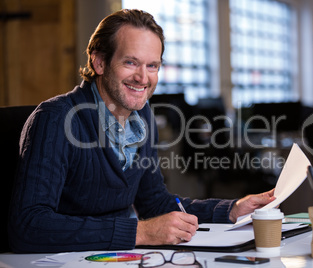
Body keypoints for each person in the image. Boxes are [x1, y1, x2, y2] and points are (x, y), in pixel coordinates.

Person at [8, 9, 275, 253]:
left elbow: (155, 202)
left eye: (152, 66)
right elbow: (28, 226)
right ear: (99, 62)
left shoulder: (143, 116)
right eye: (131, 63)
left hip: (120, 257)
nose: (143, 78)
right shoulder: (55, 119)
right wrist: (141, 231)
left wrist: (231, 210)